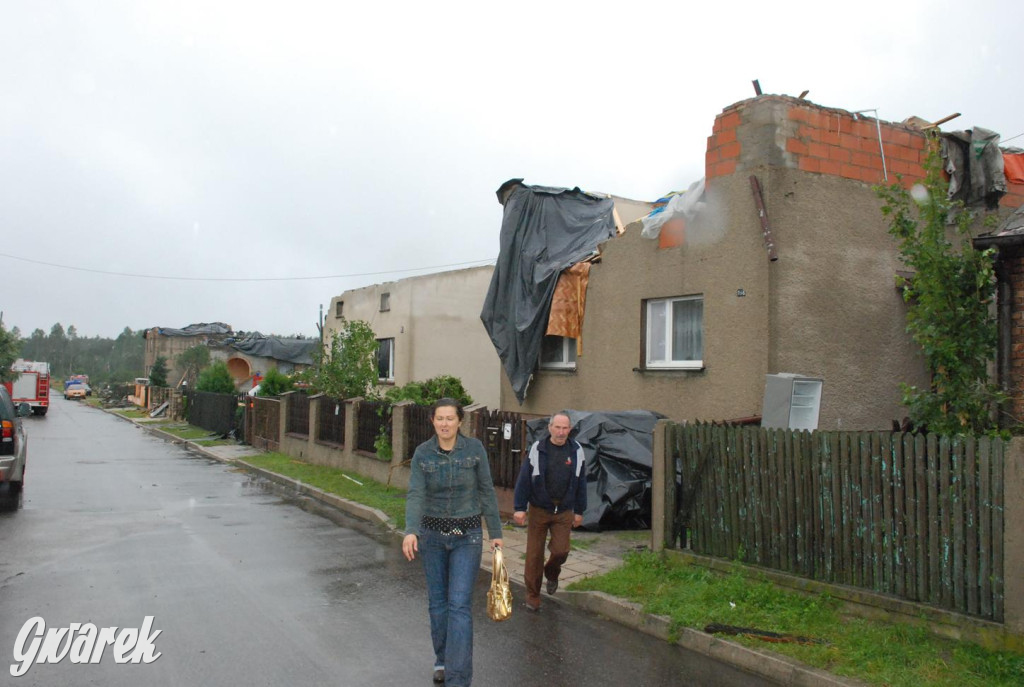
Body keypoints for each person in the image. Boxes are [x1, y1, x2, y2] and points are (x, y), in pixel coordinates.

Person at [403, 398, 503, 687]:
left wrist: (495, 532)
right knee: (438, 605)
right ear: (432, 421)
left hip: (467, 537)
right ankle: (442, 660)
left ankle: (458, 678)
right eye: (440, 418)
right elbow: (416, 493)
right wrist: (411, 530)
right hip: (432, 538)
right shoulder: (423, 453)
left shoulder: (474, 450)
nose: (445, 424)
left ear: (460, 421)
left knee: (459, 605)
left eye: (450, 418)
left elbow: (486, 490)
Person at [512, 411, 587, 611]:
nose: (561, 432)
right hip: (539, 509)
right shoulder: (538, 449)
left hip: (564, 510)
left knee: (561, 550)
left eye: (565, 428)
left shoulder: (576, 450)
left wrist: (579, 510)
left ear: (570, 430)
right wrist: (520, 508)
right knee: (534, 555)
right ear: (550, 428)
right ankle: (533, 595)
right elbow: (525, 479)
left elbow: (581, 481)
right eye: (558, 427)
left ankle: (552, 573)